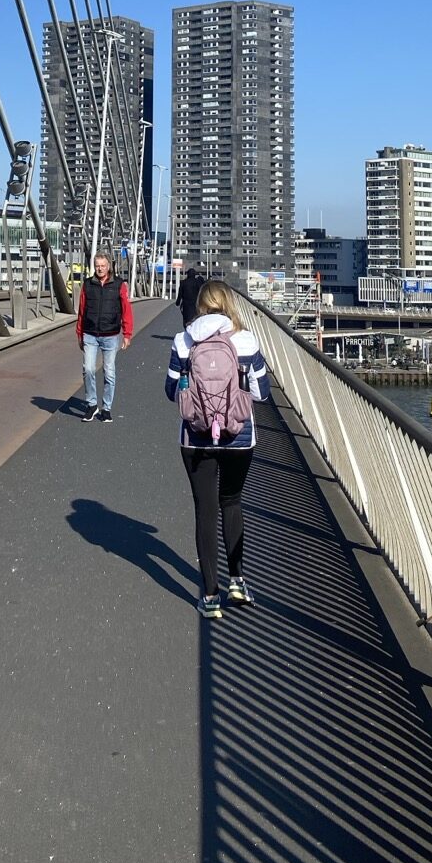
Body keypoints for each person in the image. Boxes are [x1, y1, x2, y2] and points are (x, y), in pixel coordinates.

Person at [166, 280, 270, 618]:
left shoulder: (183, 340)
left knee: (205, 510)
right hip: (239, 437)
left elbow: (171, 391)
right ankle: (237, 581)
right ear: (228, 304)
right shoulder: (245, 339)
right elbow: (262, 392)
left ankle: (210, 596)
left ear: (199, 305)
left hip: (196, 437)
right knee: (232, 501)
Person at [76, 251, 133, 422]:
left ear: (109, 266)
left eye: (102, 266)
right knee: (88, 369)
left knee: (109, 373)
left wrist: (127, 334)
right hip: (90, 333)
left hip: (111, 334)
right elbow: (81, 311)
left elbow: (126, 310)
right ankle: (92, 405)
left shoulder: (119, 285)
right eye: (97, 266)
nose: (100, 269)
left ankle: (106, 408)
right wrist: (79, 333)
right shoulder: (87, 285)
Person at [175, 264, 205, 329]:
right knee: (195, 317)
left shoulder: (183, 282)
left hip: (186, 304)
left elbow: (180, 293)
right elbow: (201, 292)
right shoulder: (197, 282)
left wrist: (178, 302)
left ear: (188, 274)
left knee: (186, 317)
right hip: (195, 304)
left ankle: (186, 328)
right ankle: (194, 329)